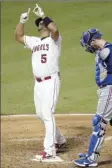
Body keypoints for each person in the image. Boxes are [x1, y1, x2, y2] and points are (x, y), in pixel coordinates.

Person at [15, 4, 67, 161]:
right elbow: (18, 36)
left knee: (47, 112)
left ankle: (50, 150)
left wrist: (44, 15)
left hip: (51, 80)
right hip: (38, 84)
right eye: (39, 22)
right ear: (38, 28)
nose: (41, 24)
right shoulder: (34, 41)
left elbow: (55, 29)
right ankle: (60, 139)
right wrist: (22, 21)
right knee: (40, 114)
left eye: (43, 22)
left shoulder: (54, 40)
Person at [73, 28, 112, 167]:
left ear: (94, 40)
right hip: (106, 90)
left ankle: (91, 159)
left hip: (109, 90)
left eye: (89, 44)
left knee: (99, 122)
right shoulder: (101, 52)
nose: (88, 47)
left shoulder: (109, 51)